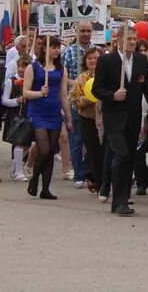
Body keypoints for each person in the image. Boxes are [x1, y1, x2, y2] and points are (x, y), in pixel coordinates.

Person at [93, 25, 148, 216]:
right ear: (118, 40)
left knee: (129, 158)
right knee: (120, 155)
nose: (132, 42)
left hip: (133, 117)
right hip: (114, 118)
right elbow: (96, 89)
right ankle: (119, 198)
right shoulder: (107, 61)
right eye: (129, 39)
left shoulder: (140, 61)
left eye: (134, 39)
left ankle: (120, 199)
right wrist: (113, 95)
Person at [24, 37, 71, 200]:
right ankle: (35, 179)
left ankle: (45, 189)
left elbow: (63, 94)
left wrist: (68, 116)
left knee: (50, 152)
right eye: (53, 47)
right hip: (37, 113)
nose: (57, 50)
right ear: (44, 48)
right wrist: (39, 93)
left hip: (54, 114)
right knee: (43, 149)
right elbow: (25, 92)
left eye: (58, 47)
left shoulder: (61, 69)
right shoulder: (33, 67)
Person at [61, 21, 94, 189]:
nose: (86, 34)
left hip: (94, 104)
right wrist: (78, 83)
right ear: (77, 32)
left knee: (92, 141)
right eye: (83, 31)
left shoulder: (96, 51)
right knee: (77, 139)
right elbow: (62, 76)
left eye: (89, 31)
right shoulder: (68, 52)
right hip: (75, 103)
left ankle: (90, 172)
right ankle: (78, 175)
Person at [70, 46, 104, 192]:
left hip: (105, 119)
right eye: (90, 58)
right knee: (93, 150)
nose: (93, 60)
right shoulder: (82, 78)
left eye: (96, 58)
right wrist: (86, 100)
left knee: (104, 151)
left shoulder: (106, 75)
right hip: (87, 118)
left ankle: (101, 178)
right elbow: (74, 98)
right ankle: (96, 179)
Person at [1, 55, 31, 181]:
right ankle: (18, 172)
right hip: (15, 116)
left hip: (28, 114)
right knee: (18, 142)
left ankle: (15, 165)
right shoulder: (10, 82)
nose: (21, 69)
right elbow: (4, 100)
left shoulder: (31, 82)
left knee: (29, 144)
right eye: (19, 66)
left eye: (24, 67)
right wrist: (16, 101)